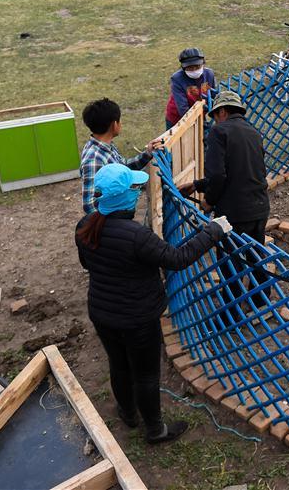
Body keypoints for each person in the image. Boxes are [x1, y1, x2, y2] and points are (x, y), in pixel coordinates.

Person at [75, 163, 232, 444]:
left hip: (102, 313)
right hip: (137, 318)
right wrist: (213, 232)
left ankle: (128, 413)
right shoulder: (137, 236)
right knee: (146, 374)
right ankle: (156, 430)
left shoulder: (85, 226)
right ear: (125, 197)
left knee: (119, 365)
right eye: (134, 189)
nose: (138, 193)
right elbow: (177, 259)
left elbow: (87, 263)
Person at [177, 91, 271, 317]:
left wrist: (209, 201)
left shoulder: (219, 132)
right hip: (259, 206)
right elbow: (242, 170)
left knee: (231, 262)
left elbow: (218, 175)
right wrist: (197, 185)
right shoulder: (254, 132)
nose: (214, 121)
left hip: (234, 212)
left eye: (215, 116)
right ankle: (261, 302)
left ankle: (232, 315)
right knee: (256, 254)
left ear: (222, 111)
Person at [80, 98, 163, 215]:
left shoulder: (106, 146)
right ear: (114, 125)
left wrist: (147, 153)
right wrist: (115, 220)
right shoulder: (94, 160)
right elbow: (89, 205)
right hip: (111, 221)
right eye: (119, 121)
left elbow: (123, 167)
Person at [165, 47, 216, 129]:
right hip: (178, 118)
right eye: (190, 68)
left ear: (203, 64)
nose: (194, 70)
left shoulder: (209, 75)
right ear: (183, 67)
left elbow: (213, 96)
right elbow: (182, 108)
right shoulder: (177, 79)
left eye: (197, 66)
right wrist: (196, 122)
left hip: (199, 112)